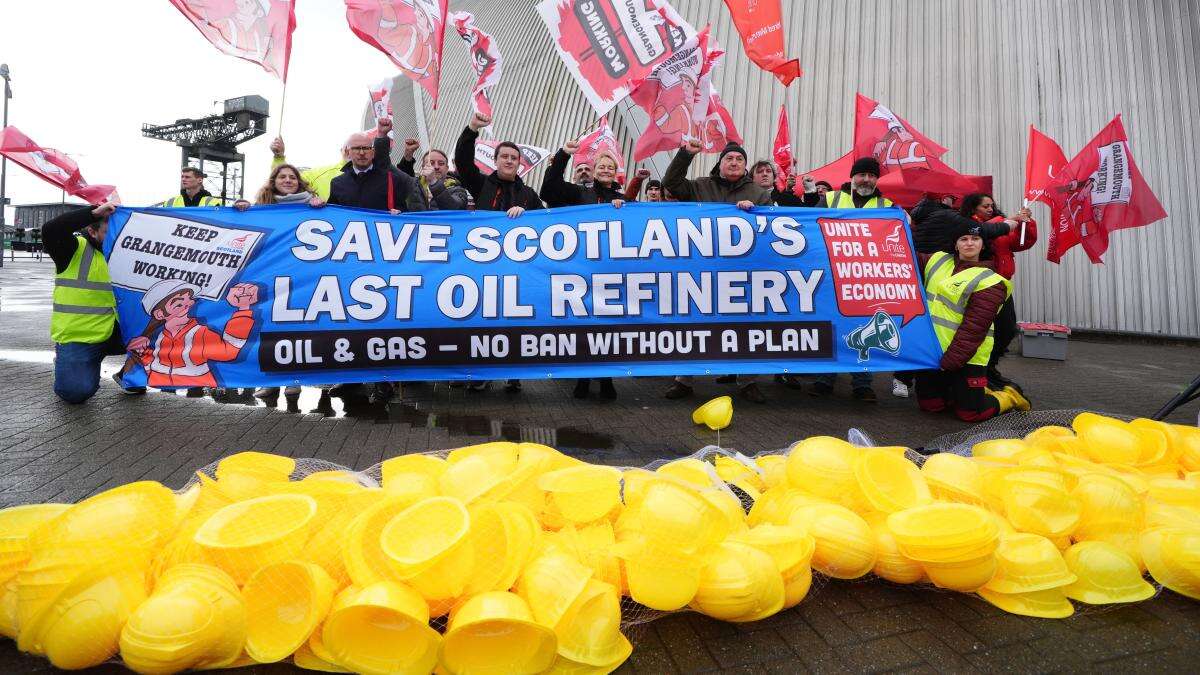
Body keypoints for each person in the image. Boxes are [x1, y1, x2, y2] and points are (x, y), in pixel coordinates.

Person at [662, 139, 772, 403]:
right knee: (693, 324)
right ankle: (684, 380)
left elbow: (771, 228)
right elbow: (671, 183)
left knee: (745, 327)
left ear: (745, 166)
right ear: (720, 163)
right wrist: (685, 153)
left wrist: (755, 213)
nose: (734, 163)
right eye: (729, 159)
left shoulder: (759, 193)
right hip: (701, 271)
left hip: (742, 273)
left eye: (739, 160)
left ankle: (748, 381)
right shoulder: (700, 186)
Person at [454, 111, 544, 393]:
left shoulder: (528, 193)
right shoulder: (481, 183)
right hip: (483, 268)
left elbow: (548, 225)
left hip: (517, 270)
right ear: (496, 160)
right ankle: (481, 372)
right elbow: (463, 161)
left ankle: (513, 371)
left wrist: (526, 214)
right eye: (504, 156)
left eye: (513, 158)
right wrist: (471, 131)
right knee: (482, 323)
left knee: (514, 322)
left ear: (519, 163)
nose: (508, 161)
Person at [541, 140, 630, 400]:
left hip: (611, 270)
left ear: (615, 172)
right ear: (594, 170)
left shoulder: (622, 199)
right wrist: (562, 156)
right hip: (582, 268)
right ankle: (582, 377)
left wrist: (622, 208)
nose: (604, 170)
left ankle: (606, 379)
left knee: (608, 327)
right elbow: (549, 190)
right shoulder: (580, 194)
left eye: (609, 167)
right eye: (600, 166)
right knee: (583, 325)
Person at [914, 222, 1030, 422]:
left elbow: (972, 331)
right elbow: (903, 257)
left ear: (983, 244)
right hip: (933, 351)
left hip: (967, 356)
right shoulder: (937, 260)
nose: (969, 244)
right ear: (955, 244)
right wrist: (899, 224)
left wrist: (949, 363)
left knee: (971, 413)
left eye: (975, 239)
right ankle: (959, 391)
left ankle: (1009, 396)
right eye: (963, 239)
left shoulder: (990, 281)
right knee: (931, 405)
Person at [234, 164, 326, 398]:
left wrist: (320, 207)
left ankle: (293, 378)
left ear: (299, 181)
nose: (287, 180)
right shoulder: (262, 208)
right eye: (282, 177)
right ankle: (271, 381)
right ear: (273, 181)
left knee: (296, 326)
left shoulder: (313, 205)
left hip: (301, 276)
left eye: (292, 177)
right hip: (270, 277)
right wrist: (241, 208)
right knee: (269, 327)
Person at [41, 202, 144, 403]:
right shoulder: (72, 250)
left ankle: (129, 375)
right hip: (80, 337)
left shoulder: (125, 251)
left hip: (116, 331)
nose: (115, 237)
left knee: (168, 331)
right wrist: (93, 212)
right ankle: (69, 361)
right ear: (91, 230)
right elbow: (51, 229)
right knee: (75, 393)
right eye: (109, 231)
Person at [809, 157, 894, 401]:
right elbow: (810, 227)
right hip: (832, 276)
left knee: (868, 330)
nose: (866, 179)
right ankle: (825, 379)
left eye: (871, 175)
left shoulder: (887, 205)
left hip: (869, 279)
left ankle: (863, 383)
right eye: (861, 174)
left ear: (877, 179)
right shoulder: (831, 198)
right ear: (852, 177)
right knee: (831, 327)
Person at [958, 193, 1036, 390]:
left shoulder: (1001, 225)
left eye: (991, 205)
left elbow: (1021, 243)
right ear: (973, 207)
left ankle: (990, 368)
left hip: (1000, 285)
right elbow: (984, 233)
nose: (990, 209)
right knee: (986, 333)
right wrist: (1007, 221)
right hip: (981, 287)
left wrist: (1027, 222)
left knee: (1007, 329)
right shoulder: (969, 226)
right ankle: (981, 373)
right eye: (985, 206)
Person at [328, 118, 424, 214]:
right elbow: (332, 215)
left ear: (373, 152)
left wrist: (400, 213)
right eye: (357, 148)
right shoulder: (337, 183)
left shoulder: (391, 179)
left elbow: (407, 211)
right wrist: (317, 205)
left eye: (366, 148)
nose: (362, 153)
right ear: (348, 153)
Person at [269, 135, 350, 201]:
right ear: (342, 151)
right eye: (349, 148)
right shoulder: (318, 174)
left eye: (362, 147)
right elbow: (285, 181)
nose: (359, 152)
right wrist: (279, 158)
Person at [397, 138, 470, 210]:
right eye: (431, 163)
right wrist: (408, 155)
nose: (436, 167)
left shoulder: (458, 190)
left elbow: (454, 208)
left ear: (447, 168)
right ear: (423, 167)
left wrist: (434, 182)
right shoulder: (413, 186)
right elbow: (401, 179)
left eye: (441, 163)